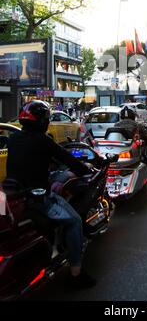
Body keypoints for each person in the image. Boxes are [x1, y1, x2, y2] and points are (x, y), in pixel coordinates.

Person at [6, 100, 96, 289]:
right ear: (43, 121)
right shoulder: (42, 140)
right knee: (75, 222)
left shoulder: (14, 139)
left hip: (15, 190)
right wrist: (84, 169)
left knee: (58, 176)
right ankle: (76, 274)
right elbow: (67, 158)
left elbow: (35, 162)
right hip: (37, 197)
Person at [114, 106, 147, 194]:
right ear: (132, 116)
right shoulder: (137, 125)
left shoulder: (116, 125)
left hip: (117, 154)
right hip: (132, 153)